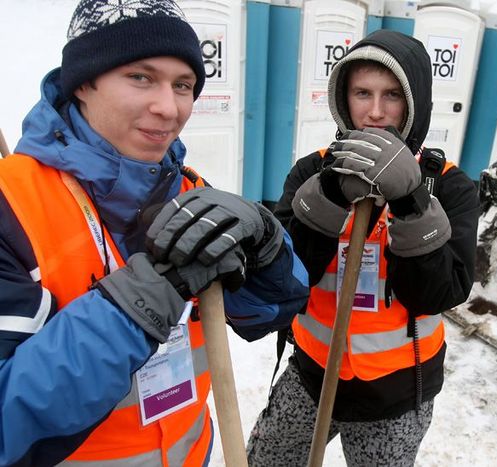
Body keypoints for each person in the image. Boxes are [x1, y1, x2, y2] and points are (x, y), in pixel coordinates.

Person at [0, 1, 308, 466]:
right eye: (141, 77)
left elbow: (268, 311)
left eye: (182, 85)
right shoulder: (12, 206)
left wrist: (267, 243)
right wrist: (134, 305)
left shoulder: (188, 189)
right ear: (84, 81)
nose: (168, 108)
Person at [246, 29, 479, 466]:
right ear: (343, 98)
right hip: (312, 375)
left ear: (415, 104)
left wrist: (412, 205)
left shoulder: (447, 186)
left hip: (396, 394)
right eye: (362, 93)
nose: (375, 112)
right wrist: (329, 196)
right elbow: (283, 278)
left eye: (391, 95)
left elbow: (440, 294)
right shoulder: (313, 171)